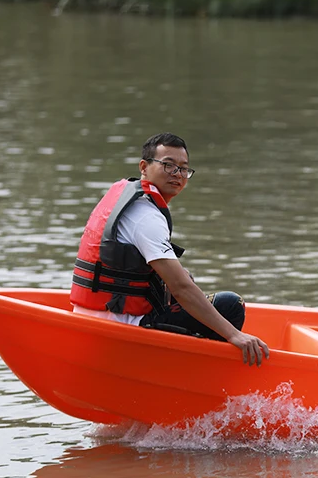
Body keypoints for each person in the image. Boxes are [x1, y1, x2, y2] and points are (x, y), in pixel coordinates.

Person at [70, 132, 269, 366]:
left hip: (91, 316)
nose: (178, 174)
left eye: (184, 169)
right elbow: (182, 289)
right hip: (121, 325)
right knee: (229, 305)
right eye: (168, 165)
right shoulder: (146, 216)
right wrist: (234, 335)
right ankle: (202, 382)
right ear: (144, 167)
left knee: (189, 283)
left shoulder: (128, 197)